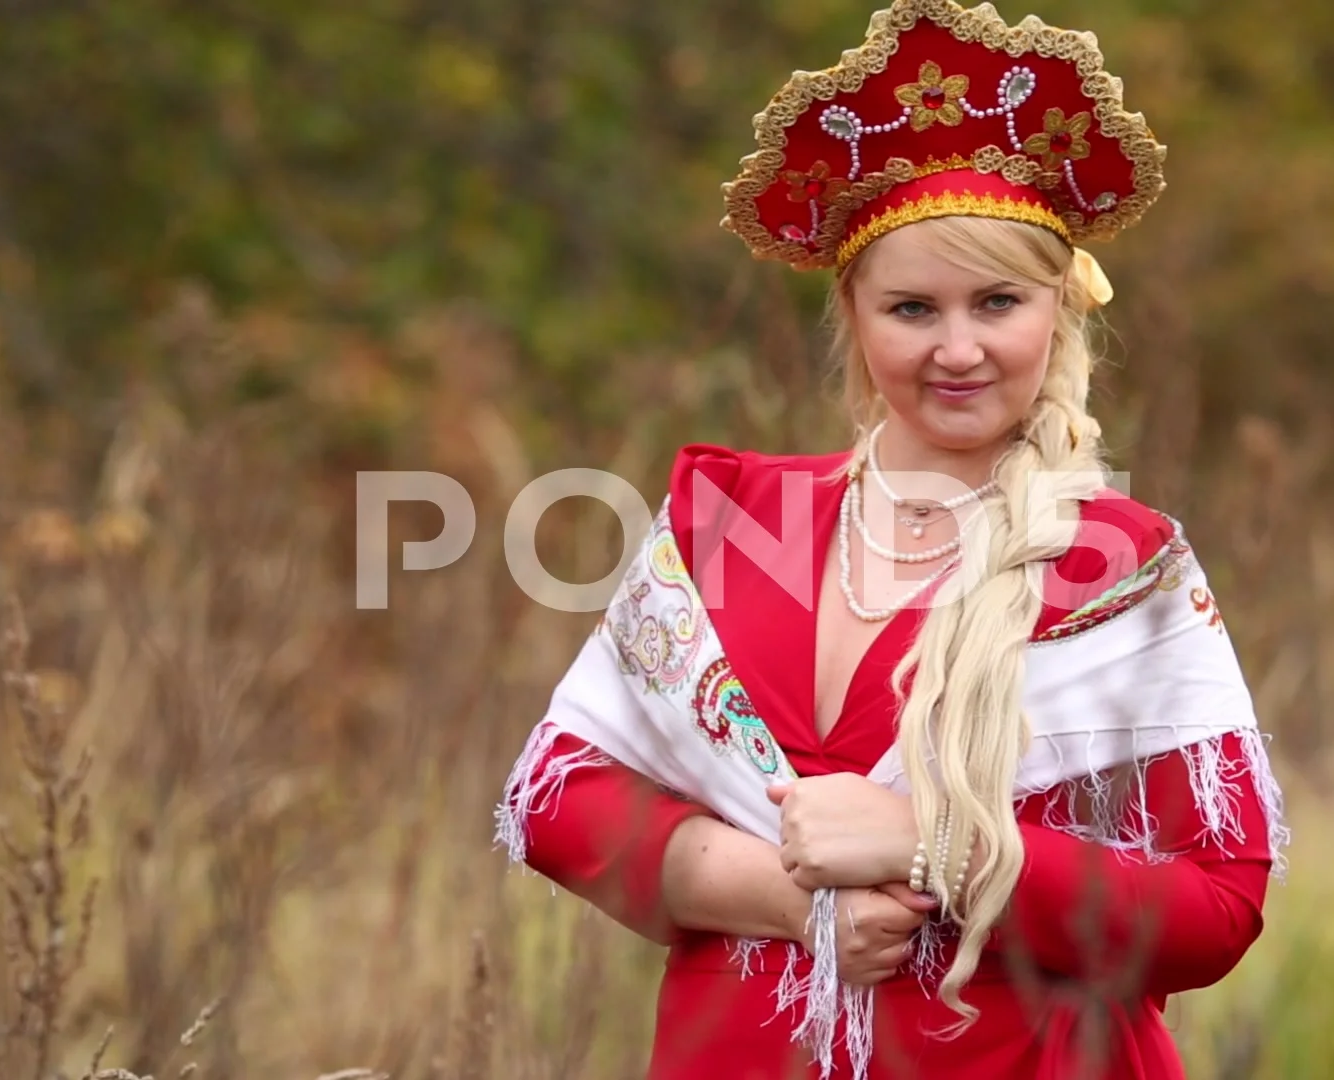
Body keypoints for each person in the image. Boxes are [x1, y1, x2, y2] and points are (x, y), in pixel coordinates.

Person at [493, 2, 1289, 1077]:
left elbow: (1214, 907)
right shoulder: (732, 528)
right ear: (856, 318)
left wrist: (936, 849)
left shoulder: (1116, 567)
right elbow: (561, 801)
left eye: (998, 302)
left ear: (1059, 308)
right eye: (913, 309)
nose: (957, 350)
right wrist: (785, 897)